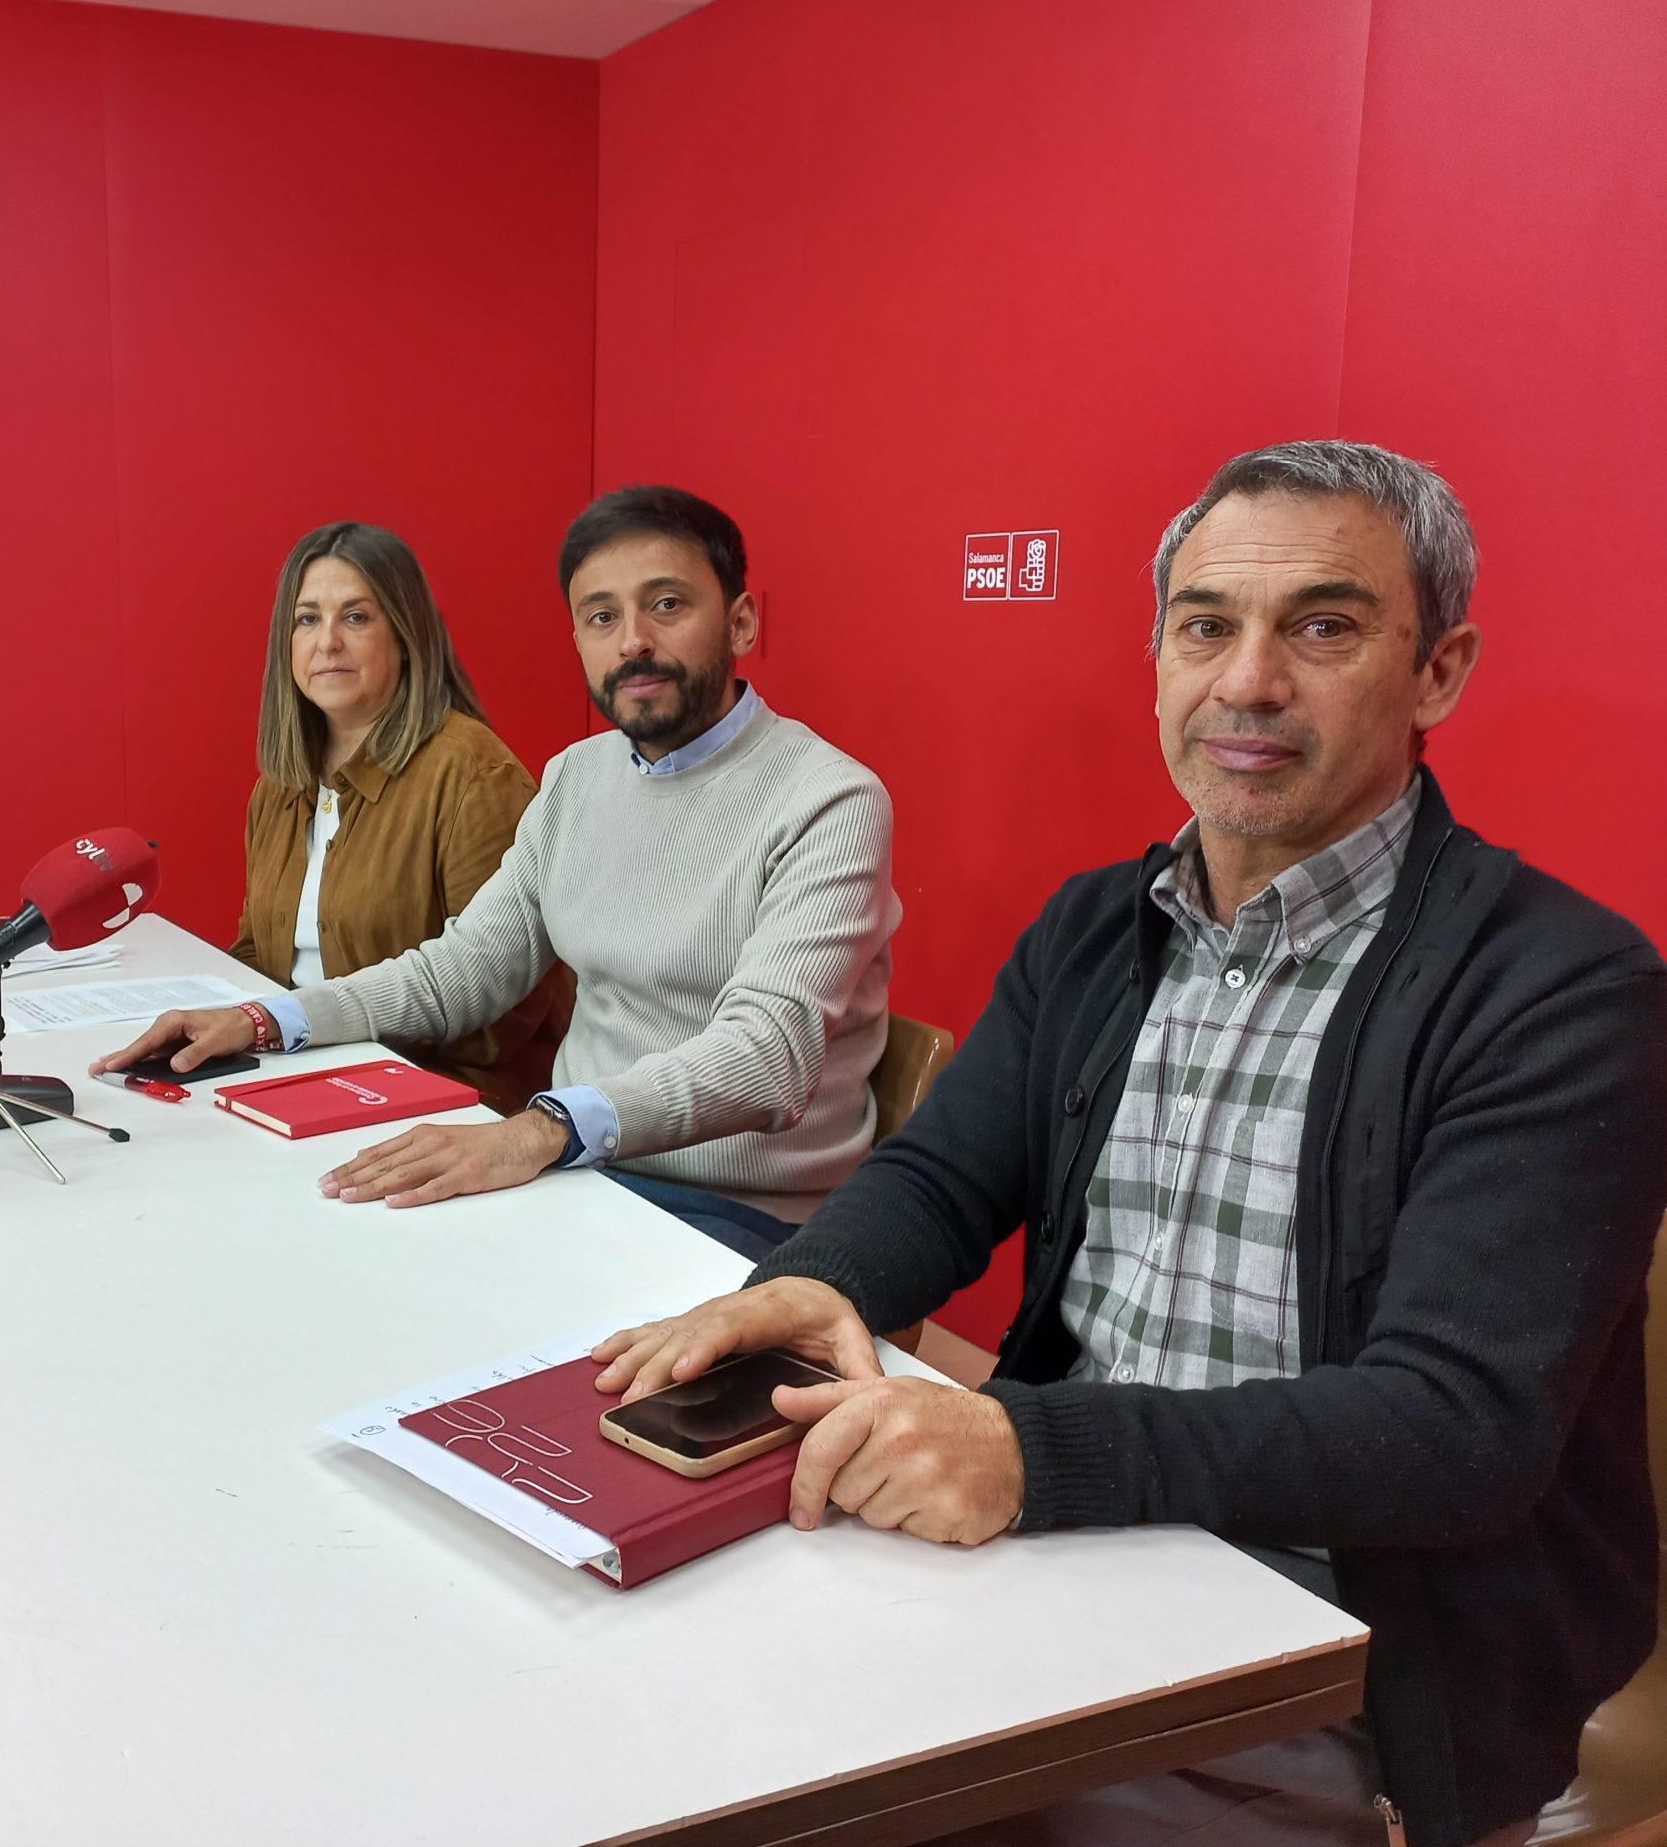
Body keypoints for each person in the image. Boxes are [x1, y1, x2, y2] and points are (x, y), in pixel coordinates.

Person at [592, 442, 1664, 1847]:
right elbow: (942, 1177)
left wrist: (1031, 1454)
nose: (1249, 683)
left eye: (1322, 629)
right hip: (1058, 1547)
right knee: (655, 1721)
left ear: (1438, 673)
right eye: (1206, 626)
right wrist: (817, 1283)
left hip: (1349, 1654)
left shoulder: (1559, 989)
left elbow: (1455, 1430)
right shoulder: (1100, 925)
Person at [100, 485, 900, 1257]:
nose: (632, 641)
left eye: (666, 604)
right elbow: (463, 969)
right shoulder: (577, 778)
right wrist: (266, 1021)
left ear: (741, 621)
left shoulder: (828, 799)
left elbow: (766, 1056)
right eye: (602, 616)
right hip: (587, 1174)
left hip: (743, 1215)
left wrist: (545, 1128)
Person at [230, 520, 560, 1113]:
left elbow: (505, 1009)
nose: (327, 641)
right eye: (307, 619)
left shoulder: (474, 776)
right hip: (297, 1066)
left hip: (440, 1096)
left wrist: (327, 1046)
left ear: (406, 635)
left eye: (356, 617)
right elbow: (259, 955)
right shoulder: (278, 787)